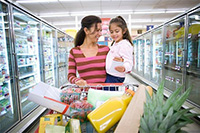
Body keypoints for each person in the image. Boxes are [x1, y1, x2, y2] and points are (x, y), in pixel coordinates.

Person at [67, 15, 110, 87]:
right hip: (86, 94)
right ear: (86, 30)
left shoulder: (105, 50)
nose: (100, 34)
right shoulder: (74, 52)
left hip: (105, 94)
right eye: (97, 30)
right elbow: (70, 75)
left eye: (100, 31)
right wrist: (77, 81)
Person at [105, 16, 134, 90]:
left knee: (109, 96)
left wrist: (124, 68)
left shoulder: (124, 44)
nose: (114, 34)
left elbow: (129, 61)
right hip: (111, 75)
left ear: (124, 31)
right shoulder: (116, 43)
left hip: (115, 77)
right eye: (111, 32)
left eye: (117, 31)